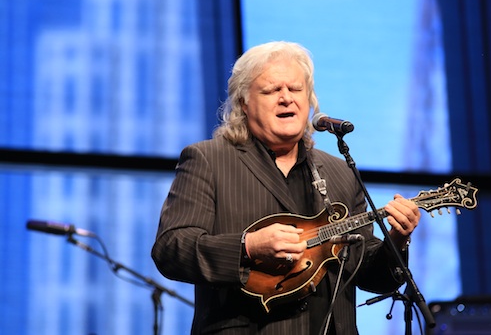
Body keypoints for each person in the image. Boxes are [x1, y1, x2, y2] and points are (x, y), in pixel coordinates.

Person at [151, 41, 421, 334]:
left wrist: (397, 238)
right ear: (243, 102)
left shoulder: (341, 171)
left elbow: (367, 272)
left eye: (295, 90)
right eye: (270, 91)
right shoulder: (209, 160)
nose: (286, 99)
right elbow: (171, 249)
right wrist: (247, 247)